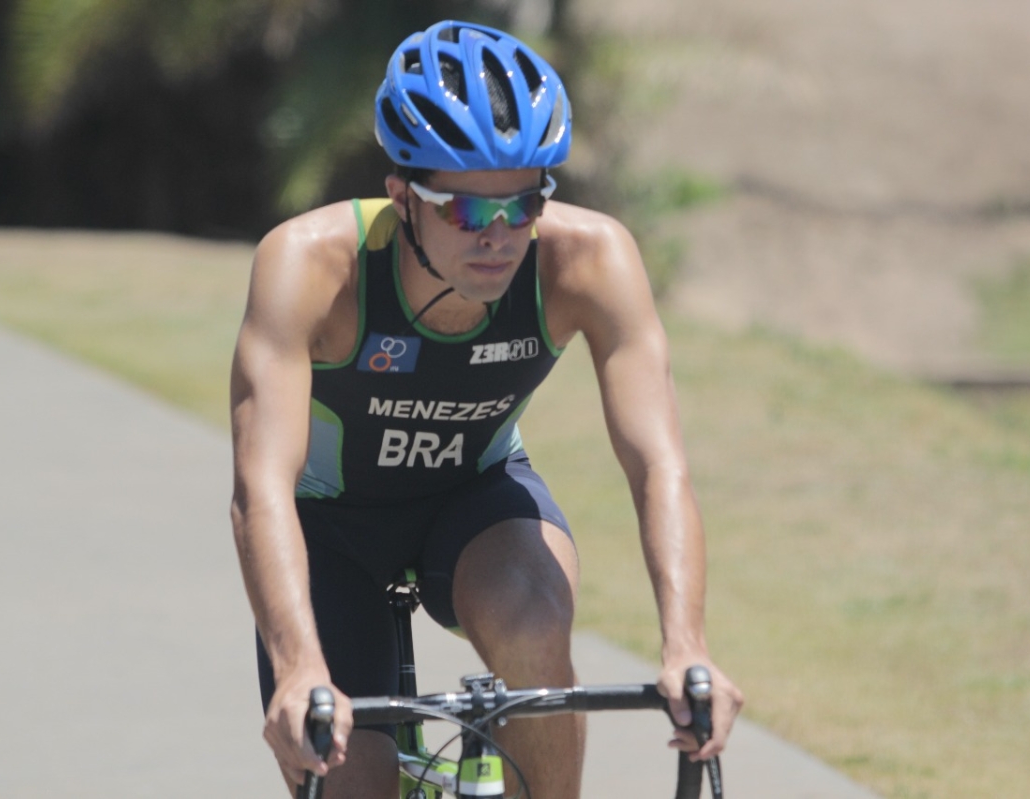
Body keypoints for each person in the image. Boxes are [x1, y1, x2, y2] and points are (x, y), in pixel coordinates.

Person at [229, 19, 743, 798]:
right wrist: (299, 666)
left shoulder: (589, 261)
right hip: (325, 529)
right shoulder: (310, 266)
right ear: (402, 198)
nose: (499, 237)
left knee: (535, 627)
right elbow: (260, 486)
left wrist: (687, 644)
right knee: (347, 778)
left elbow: (657, 461)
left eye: (524, 205)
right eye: (468, 212)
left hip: (476, 503)